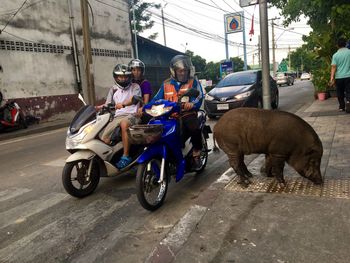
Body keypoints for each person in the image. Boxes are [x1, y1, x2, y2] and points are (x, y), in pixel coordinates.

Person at [150, 55, 204, 169]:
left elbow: (199, 96)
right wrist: (146, 107)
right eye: (180, 70)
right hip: (169, 115)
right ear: (174, 71)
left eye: (185, 70)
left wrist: (192, 104)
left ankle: (196, 152)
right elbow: (156, 99)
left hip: (187, 113)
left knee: (194, 127)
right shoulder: (166, 84)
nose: (183, 73)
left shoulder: (193, 82)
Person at [98, 64, 142, 169]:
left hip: (133, 115)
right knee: (104, 137)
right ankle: (109, 158)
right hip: (117, 116)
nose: (123, 79)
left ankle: (126, 157)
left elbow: (135, 99)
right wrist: (97, 108)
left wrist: (123, 104)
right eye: (120, 77)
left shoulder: (135, 87)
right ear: (116, 77)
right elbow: (108, 104)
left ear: (129, 77)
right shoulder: (113, 89)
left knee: (124, 123)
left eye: (125, 77)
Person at [330, 37, 350, 113]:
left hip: (339, 77)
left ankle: (342, 107)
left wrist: (332, 78)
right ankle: (348, 103)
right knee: (349, 91)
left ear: (337, 45)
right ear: (346, 44)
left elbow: (333, 67)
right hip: (349, 76)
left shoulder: (335, 55)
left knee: (340, 92)